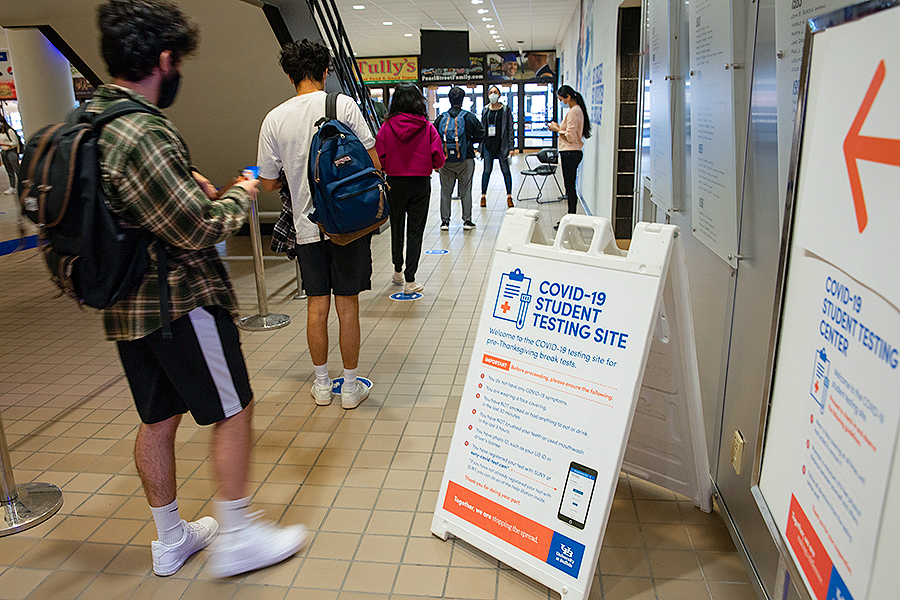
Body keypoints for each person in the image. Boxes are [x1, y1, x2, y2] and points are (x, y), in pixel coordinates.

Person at [93, 0, 307, 579]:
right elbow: (198, 228)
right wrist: (242, 191)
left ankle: (171, 539)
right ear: (165, 60)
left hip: (126, 306)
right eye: (179, 62)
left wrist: (188, 186)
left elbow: (139, 204)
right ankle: (238, 535)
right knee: (234, 407)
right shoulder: (144, 130)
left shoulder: (93, 121)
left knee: (158, 418)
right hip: (180, 300)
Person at [257, 39, 379, 410]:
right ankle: (351, 387)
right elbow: (373, 162)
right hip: (346, 225)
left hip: (306, 227)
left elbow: (267, 183)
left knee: (317, 306)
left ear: (289, 75)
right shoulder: (342, 105)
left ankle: (323, 385)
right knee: (348, 305)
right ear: (326, 72)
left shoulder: (274, 119)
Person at [375, 82, 445, 295]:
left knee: (397, 227)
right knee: (415, 230)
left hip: (394, 183)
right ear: (418, 101)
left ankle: (397, 271)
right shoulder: (427, 127)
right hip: (420, 184)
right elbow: (439, 159)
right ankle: (410, 280)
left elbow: (379, 158)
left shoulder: (386, 127)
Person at [435, 86, 483, 231]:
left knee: (445, 192)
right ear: (462, 100)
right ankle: (467, 221)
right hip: (465, 160)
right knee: (465, 191)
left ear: (449, 100)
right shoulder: (469, 117)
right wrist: (469, 142)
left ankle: (445, 222)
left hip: (446, 162)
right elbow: (481, 134)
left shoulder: (441, 118)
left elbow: (434, 137)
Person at [549, 84, 591, 227]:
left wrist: (556, 130)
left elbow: (570, 137)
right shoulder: (576, 110)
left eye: (561, 99)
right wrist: (559, 128)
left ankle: (571, 218)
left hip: (570, 153)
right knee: (569, 186)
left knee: (570, 187)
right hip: (571, 152)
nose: (561, 102)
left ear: (568, 97)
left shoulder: (574, 111)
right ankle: (570, 217)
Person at [479, 85, 515, 209]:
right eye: (491, 92)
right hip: (488, 145)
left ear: (499, 95)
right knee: (486, 171)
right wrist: (480, 147)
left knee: (505, 171)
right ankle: (483, 196)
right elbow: (482, 129)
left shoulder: (505, 109)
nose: (493, 94)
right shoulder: (485, 110)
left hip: (502, 145)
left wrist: (511, 147)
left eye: (495, 92)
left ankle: (509, 196)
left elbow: (510, 129)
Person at [0, 115, 20, 194]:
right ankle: (12, 187)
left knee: (16, 169)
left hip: (11, 152)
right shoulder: (1, 132)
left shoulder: (9, 131)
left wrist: (4, 144)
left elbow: (15, 143)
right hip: (4, 152)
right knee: (9, 170)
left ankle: (22, 186)